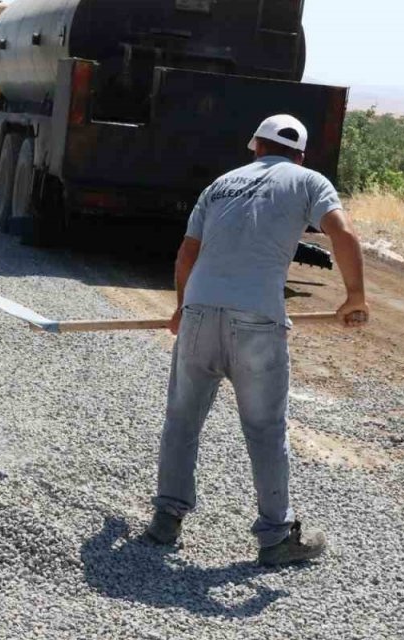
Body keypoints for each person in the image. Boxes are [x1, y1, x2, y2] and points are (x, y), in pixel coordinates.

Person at [145, 114, 368, 566]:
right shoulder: (308, 181)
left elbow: (189, 251)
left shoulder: (221, 184)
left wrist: (182, 307)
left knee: (183, 419)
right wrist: (355, 296)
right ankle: (275, 538)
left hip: (200, 314)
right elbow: (341, 232)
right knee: (265, 429)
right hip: (257, 322)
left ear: (256, 147)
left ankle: (166, 519)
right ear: (300, 155)